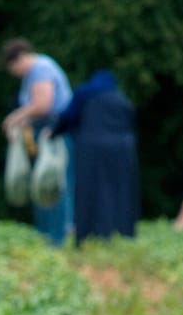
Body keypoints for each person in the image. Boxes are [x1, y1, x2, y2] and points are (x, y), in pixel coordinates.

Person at [51, 70, 139, 244]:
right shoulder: (121, 98)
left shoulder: (85, 94)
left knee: (90, 190)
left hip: (91, 148)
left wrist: (54, 132)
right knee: (121, 190)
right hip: (123, 149)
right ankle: (123, 232)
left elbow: (69, 116)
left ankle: (90, 233)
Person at [1, 38, 74, 246]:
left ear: (20, 58)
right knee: (43, 184)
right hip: (45, 133)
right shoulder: (36, 71)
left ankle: (58, 236)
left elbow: (43, 105)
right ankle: (48, 236)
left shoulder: (40, 69)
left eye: (12, 66)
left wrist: (14, 118)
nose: (14, 72)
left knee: (52, 183)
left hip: (53, 134)